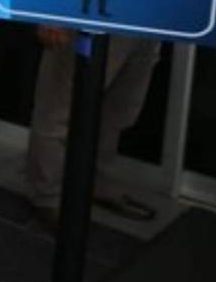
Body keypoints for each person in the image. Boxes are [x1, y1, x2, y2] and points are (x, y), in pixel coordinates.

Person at [28, 25, 160, 225]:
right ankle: (47, 196)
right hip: (86, 19)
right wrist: (52, 16)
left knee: (117, 111)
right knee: (58, 108)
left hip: (147, 21)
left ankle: (95, 183)